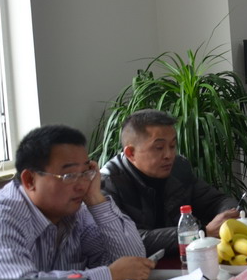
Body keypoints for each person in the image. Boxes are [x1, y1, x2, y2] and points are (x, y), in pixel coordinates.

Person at [0, 125, 152, 280]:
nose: (81, 185)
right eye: (69, 176)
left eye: (85, 172)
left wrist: (95, 199)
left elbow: (134, 262)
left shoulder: (76, 212)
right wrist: (109, 275)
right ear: (30, 180)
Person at [100, 110, 239, 257]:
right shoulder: (108, 183)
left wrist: (227, 218)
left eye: (172, 146)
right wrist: (201, 232)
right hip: (134, 268)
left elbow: (217, 201)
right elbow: (126, 241)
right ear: (131, 153)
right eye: (159, 148)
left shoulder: (178, 168)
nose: (169, 155)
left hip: (180, 260)